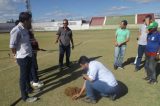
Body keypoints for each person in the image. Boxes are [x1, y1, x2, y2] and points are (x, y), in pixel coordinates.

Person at [9, 12, 37, 102]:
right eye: (30, 20)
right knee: (23, 77)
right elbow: (12, 46)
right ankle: (25, 97)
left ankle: (29, 89)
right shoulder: (16, 30)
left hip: (28, 55)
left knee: (28, 75)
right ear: (25, 21)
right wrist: (15, 56)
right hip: (22, 57)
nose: (31, 22)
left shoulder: (25, 29)